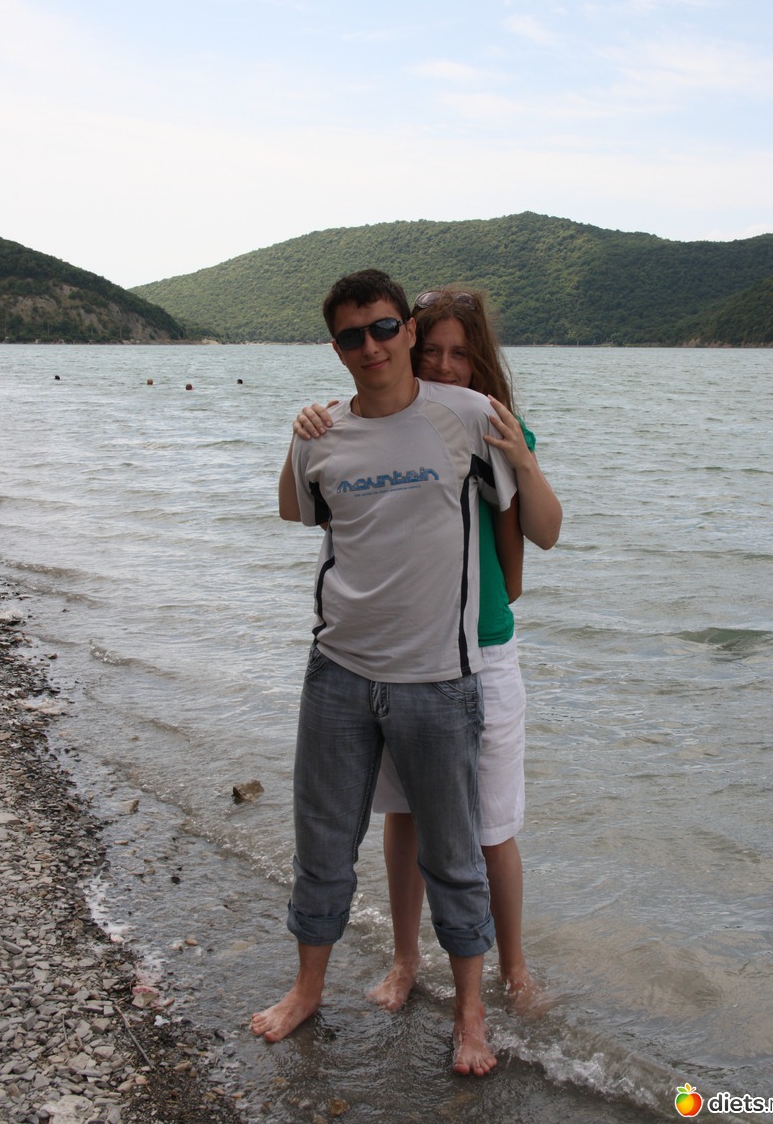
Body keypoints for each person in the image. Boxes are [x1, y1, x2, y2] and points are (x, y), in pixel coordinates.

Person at [251, 270, 520, 1075]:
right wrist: (295, 433)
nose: (368, 345)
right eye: (350, 335)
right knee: (323, 842)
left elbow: (523, 520)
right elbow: (297, 511)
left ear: (406, 329)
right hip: (337, 671)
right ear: (336, 348)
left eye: (381, 328)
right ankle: (307, 989)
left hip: (439, 679)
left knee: (455, 857)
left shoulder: (468, 417)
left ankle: (471, 1016)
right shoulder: (320, 432)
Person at [293, 287, 562, 1013]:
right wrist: (310, 423)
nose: (443, 366)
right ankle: (406, 959)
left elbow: (538, 539)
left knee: (491, 827)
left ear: (480, 362)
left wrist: (523, 459)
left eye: (459, 354)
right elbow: (328, 502)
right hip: (397, 659)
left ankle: (514, 970)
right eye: (433, 350)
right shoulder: (386, 423)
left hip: (482, 647)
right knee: (404, 816)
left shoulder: (489, 426)